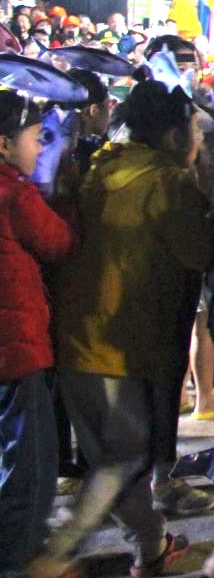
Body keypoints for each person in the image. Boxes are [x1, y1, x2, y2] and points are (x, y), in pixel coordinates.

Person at [34, 82, 211, 578]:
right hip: (120, 343)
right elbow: (200, 252)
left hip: (74, 338)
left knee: (118, 461)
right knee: (125, 457)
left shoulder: (96, 167)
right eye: (197, 132)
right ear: (175, 137)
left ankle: (150, 546)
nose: (200, 140)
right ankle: (55, 554)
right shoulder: (169, 184)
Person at [0, 92, 75, 576]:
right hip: (18, 347)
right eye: (35, 138)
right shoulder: (14, 192)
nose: (41, 147)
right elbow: (58, 241)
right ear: (4, 144)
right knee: (30, 468)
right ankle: (17, 561)